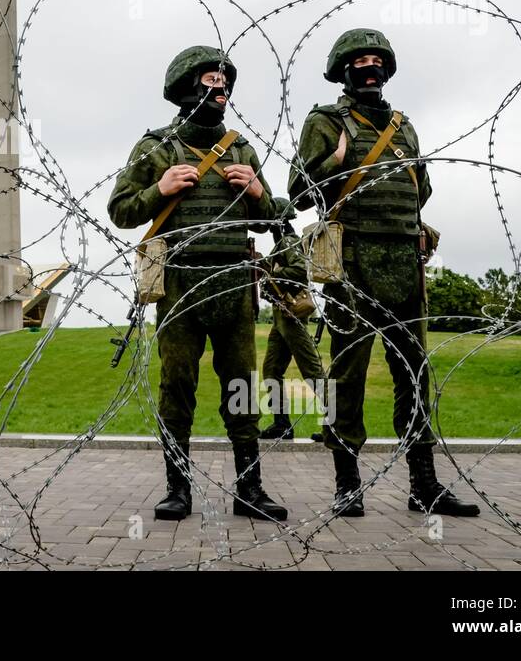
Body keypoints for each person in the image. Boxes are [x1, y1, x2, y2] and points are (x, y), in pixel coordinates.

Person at [289, 28, 479, 518]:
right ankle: (348, 482)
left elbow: (422, 188)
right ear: (343, 69)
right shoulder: (325, 120)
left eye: (377, 59)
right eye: (360, 60)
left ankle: (424, 484)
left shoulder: (403, 125)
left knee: (414, 375)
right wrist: (328, 164)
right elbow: (297, 190)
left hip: (404, 265)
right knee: (348, 377)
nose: (369, 66)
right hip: (351, 266)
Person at [109, 45, 287, 522]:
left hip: (232, 283)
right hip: (181, 284)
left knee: (242, 389)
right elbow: (121, 211)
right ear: (188, 87)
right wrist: (159, 189)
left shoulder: (242, 148)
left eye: (225, 81)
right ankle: (178, 490)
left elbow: (270, 220)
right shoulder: (157, 147)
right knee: (177, 386)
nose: (221, 88)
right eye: (211, 79)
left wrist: (256, 193)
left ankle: (250, 489)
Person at [257, 198, 326, 440]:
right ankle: (281, 424)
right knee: (271, 369)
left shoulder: (288, 241)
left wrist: (270, 275)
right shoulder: (282, 243)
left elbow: (300, 271)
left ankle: (337, 426)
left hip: (292, 317)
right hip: (282, 318)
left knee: (313, 371)